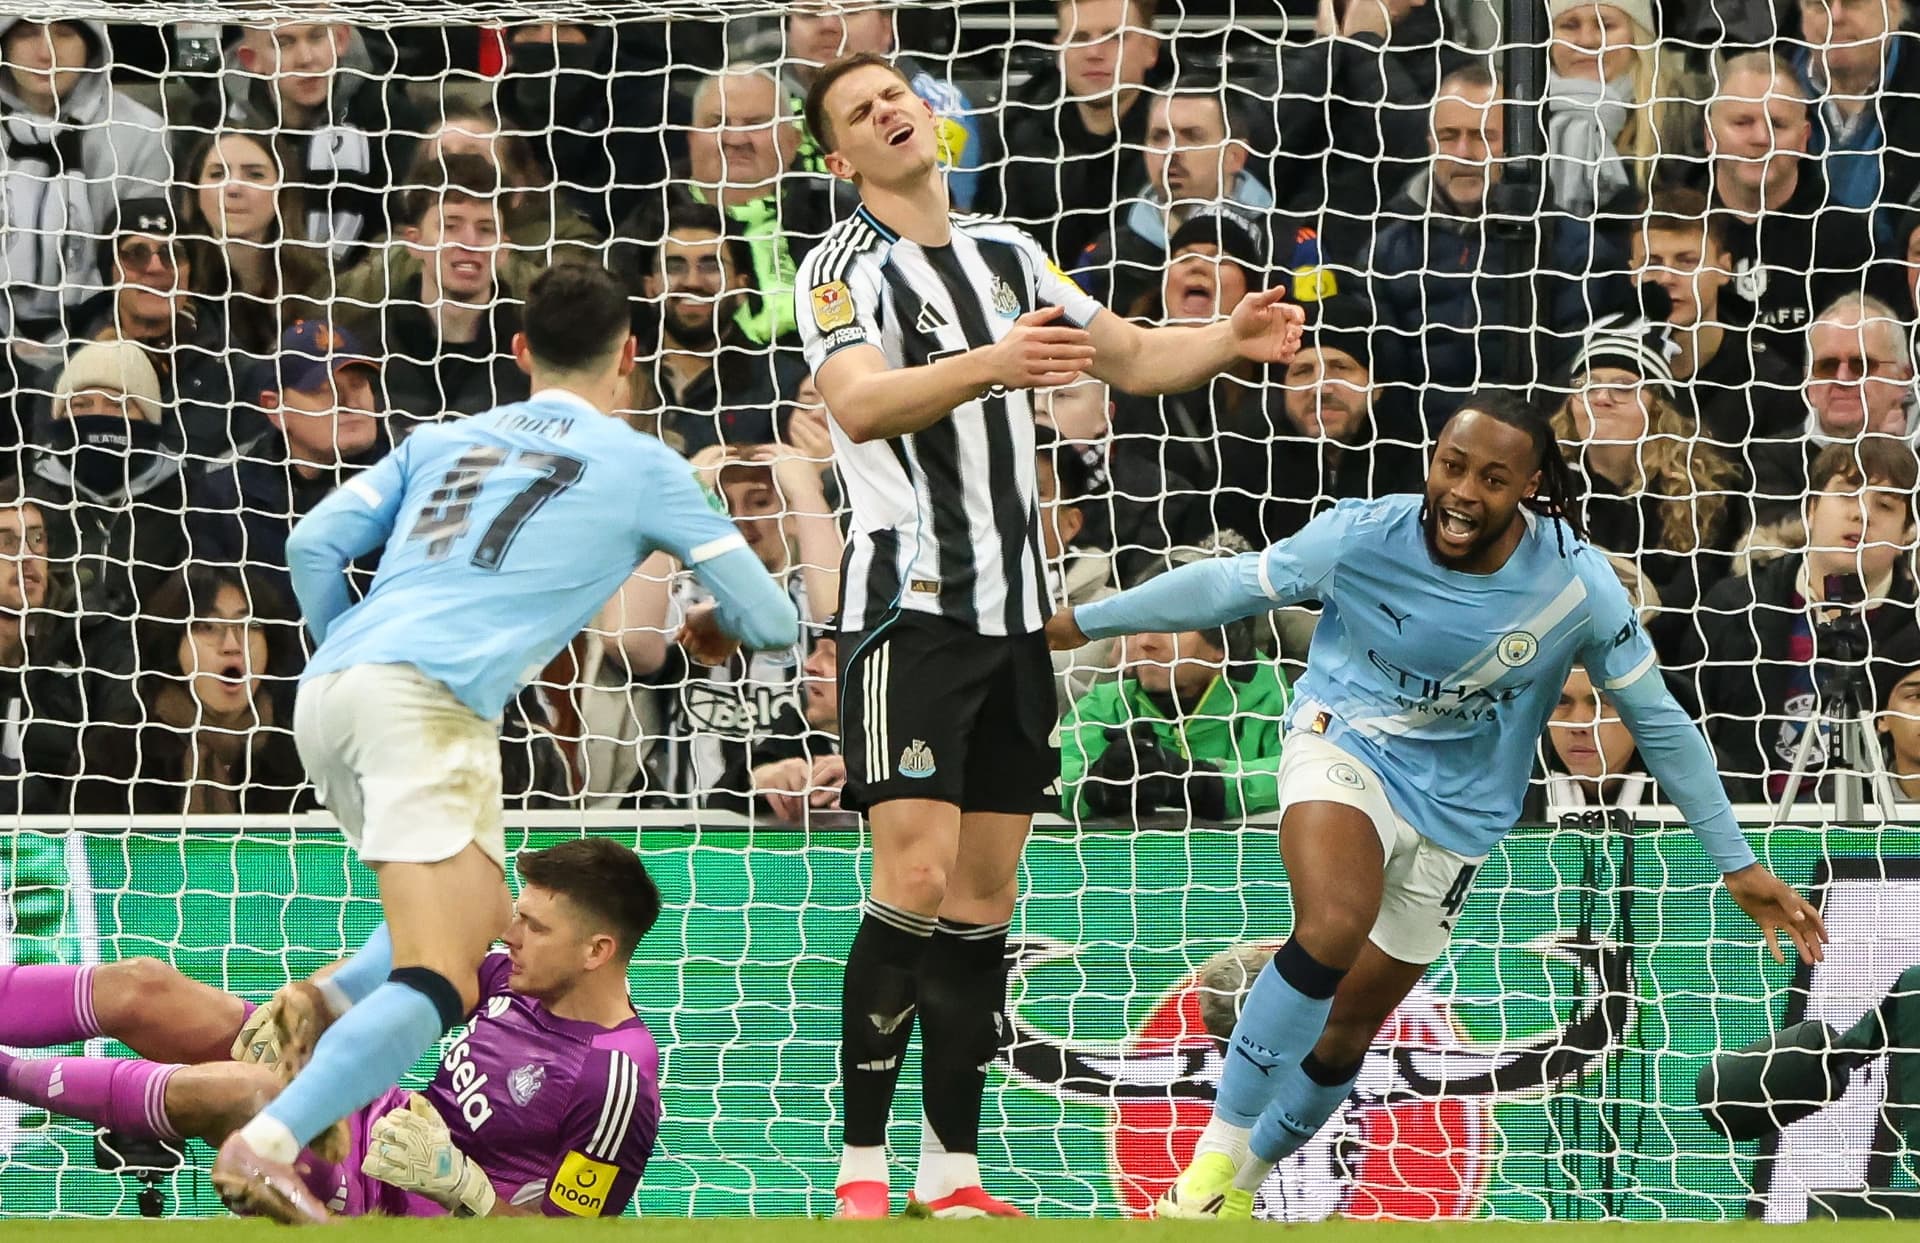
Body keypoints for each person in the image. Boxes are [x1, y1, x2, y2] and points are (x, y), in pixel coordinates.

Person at [1044, 390, 1825, 1219]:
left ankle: (1244, 1181)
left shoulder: (1576, 585)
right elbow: (1229, 588)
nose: (1461, 491)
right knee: (1333, 924)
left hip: (1458, 813)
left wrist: (1735, 861)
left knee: (1350, 1025)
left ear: (1530, 486)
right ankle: (1214, 1155)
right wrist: (1076, 622)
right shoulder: (1363, 532)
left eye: (1492, 477)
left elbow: (1659, 721)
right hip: (1342, 742)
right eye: (1451, 465)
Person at [796, 50, 1305, 1218]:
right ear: (842, 158)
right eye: (861, 111)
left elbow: (1128, 356)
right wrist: (996, 363)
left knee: (983, 899)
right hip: (908, 611)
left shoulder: (1009, 252)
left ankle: (952, 1173)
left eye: (898, 96)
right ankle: (861, 1171)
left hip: (1016, 621)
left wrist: (1227, 341)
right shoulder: (838, 267)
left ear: (929, 118)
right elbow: (861, 402)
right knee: (912, 876)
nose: (889, 112)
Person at [208, 262, 799, 1223]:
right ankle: (267, 1143)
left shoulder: (441, 436)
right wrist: (715, 626)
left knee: (482, 912)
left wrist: (352, 656)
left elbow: (311, 546)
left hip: (334, 685)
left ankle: (325, 1003)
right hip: (428, 706)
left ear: (520, 352)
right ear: (631, 357)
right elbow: (773, 620)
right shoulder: (646, 462)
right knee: (439, 980)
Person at [0, 838, 665, 1220]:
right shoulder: (513, 977)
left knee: (258, 1098)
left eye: (534, 927)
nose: (510, 934)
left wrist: (466, 1186)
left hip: (406, 1206)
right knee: (146, 987)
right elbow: (404, 965)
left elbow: (569, 1234)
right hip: (378, 1121)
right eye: (516, 915)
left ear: (597, 951)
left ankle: (11, 1077)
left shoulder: (615, 1080)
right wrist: (309, 1007)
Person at [1694, 439, 1920, 803]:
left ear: (1907, 533)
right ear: (1811, 509)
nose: (1862, 514)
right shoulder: (1733, 606)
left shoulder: (1915, 626)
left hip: (1877, 839)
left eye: (1885, 504)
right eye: (1847, 495)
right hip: (1746, 830)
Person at [1058, 536, 1293, 821]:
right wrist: (1100, 786)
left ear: (1224, 645)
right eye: (1138, 622)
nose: (1145, 641)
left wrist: (1196, 783)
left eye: (1172, 624)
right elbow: (1063, 781)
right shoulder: (1102, 707)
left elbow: (1300, 776)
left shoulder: (1281, 707)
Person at [70, 563, 310, 816]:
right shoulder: (113, 751)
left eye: (249, 625)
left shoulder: (301, 754)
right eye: (207, 626)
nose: (232, 644)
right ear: (173, 644)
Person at [188, 318, 389, 604]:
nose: (350, 402)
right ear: (275, 408)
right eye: (324, 390)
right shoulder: (225, 496)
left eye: (358, 385)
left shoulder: (417, 474)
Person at [0, 19, 169, 354]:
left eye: (64, 34)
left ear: (93, 45)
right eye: (26, 33)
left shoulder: (143, 131)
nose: (45, 52)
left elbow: (140, 259)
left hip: (104, 333)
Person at [988, 0, 1163, 264]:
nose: (1094, 52)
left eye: (1114, 37)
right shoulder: (1016, 136)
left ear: (1151, 49)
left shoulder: (1185, 135)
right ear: (1059, 49)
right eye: (1079, 37)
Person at [175, 130, 327, 360]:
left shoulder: (324, 285)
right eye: (217, 174)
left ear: (283, 191)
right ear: (195, 192)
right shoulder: (173, 284)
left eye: (255, 175)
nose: (233, 188)